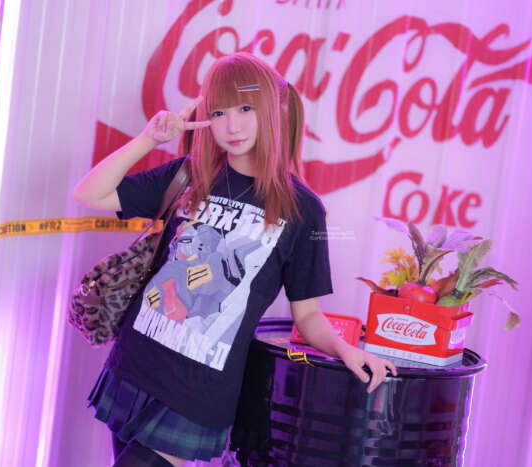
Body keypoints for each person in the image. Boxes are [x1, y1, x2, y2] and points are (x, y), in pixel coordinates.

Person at [73, 52, 397, 467]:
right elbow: (90, 193)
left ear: (272, 110)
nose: (233, 126)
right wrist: (148, 139)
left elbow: (307, 315)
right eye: (219, 112)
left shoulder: (303, 209)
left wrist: (346, 351)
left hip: (198, 391)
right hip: (136, 364)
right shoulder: (190, 175)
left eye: (245, 109)